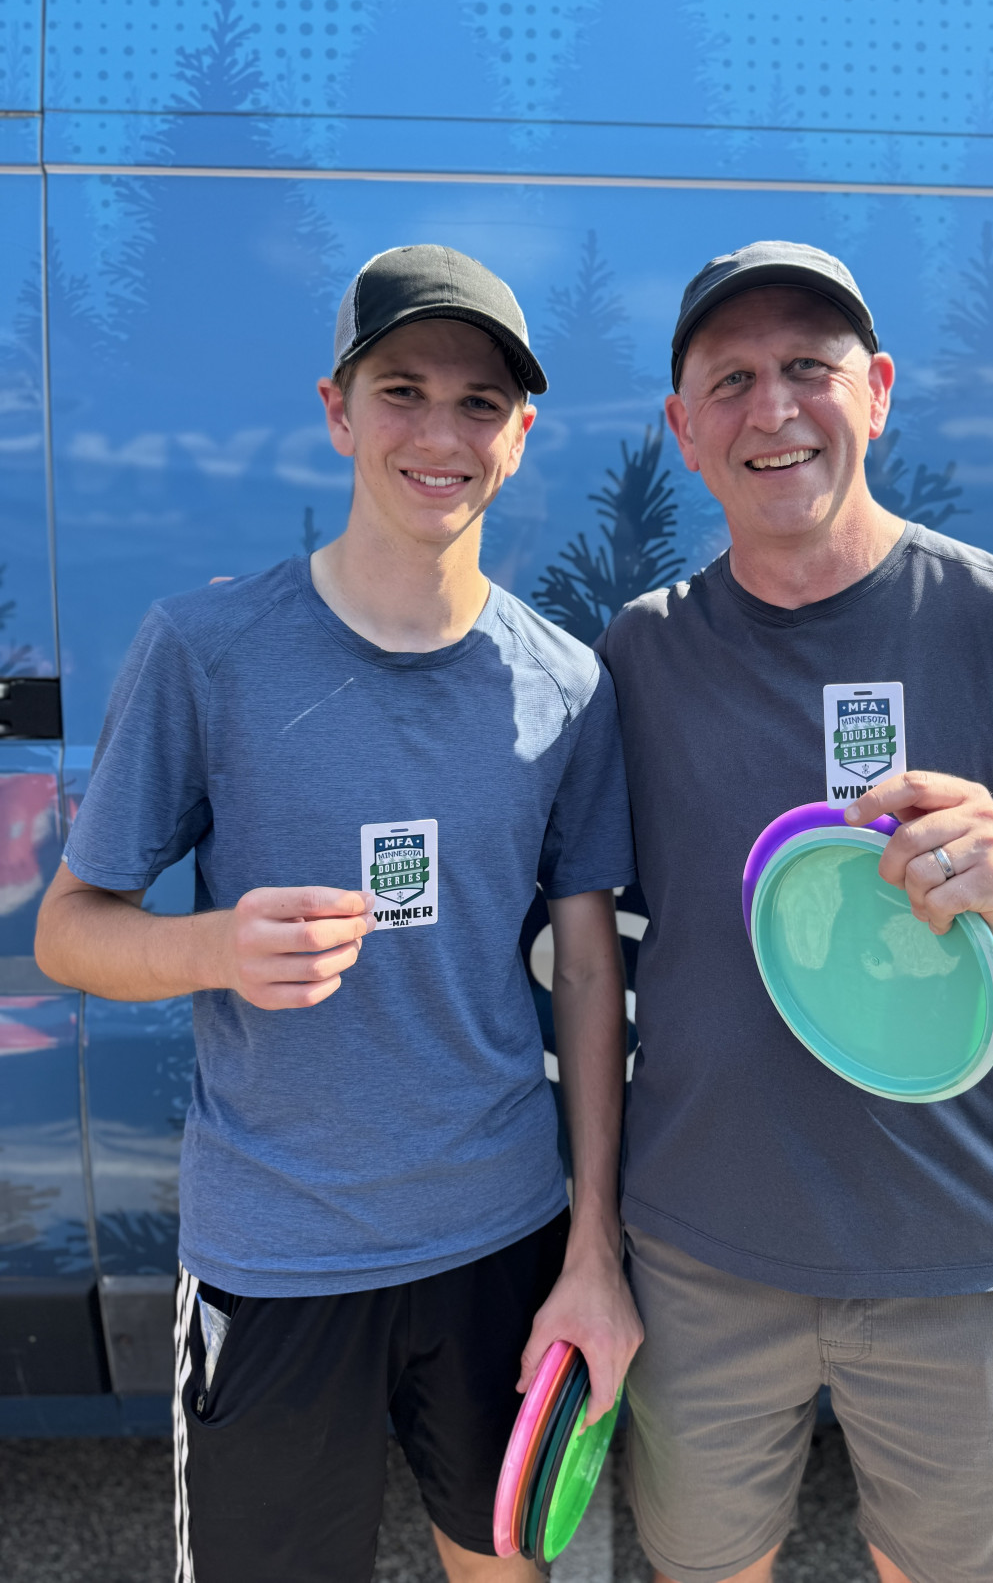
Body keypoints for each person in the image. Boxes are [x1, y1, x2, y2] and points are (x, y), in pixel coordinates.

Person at [596, 240, 993, 1583]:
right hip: (701, 1260)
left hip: (964, 1265)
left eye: (808, 368)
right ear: (684, 430)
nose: (773, 409)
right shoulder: (641, 654)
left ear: (876, 391)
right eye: (732, 380)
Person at [35, 244, 643, 1583]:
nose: (441, 434)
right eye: (402, 391)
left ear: (520, 438)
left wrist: (592, 1244)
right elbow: (68, 929)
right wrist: (212, 947)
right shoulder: (208, 652)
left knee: (510, 1565)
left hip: (501, 1242)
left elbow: (590, 975)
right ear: (337, 412)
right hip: (276, 1257)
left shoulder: (566, 686)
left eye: (480, 403)